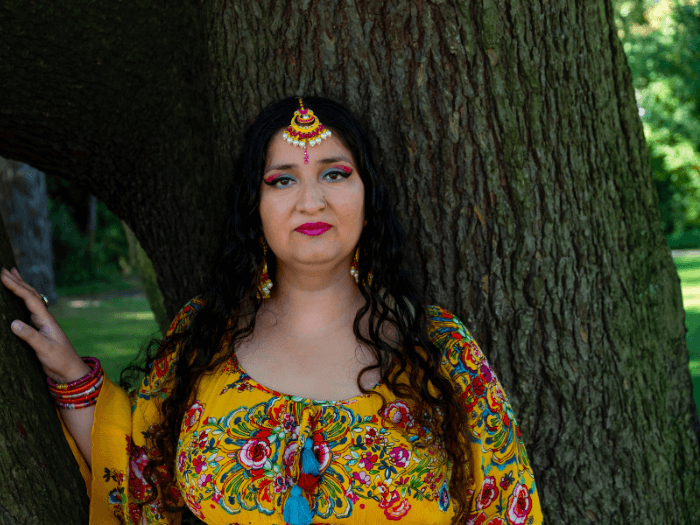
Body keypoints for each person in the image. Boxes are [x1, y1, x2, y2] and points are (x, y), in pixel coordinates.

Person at [1, 96, 542, 525]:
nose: (311, 201)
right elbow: (137, 475)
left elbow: (502, 511)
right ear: (253, 207)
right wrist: (69, 374)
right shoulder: (206, 339)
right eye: (283, 179)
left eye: (335, 173)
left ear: (367, 195)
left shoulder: (439, 351)